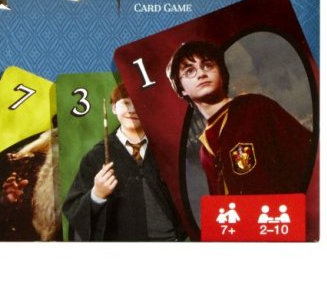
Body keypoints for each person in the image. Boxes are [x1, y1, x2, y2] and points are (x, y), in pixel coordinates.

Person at [166, 41, 313, 196]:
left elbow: (309, 158)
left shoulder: (255, 107)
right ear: (181, 89)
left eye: (207, 65)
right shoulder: (206, 151)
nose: (201, 74)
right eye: (189, 71)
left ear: (221, 73)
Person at [62, 83, 184, 241]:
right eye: (126, 103)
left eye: (138, 103)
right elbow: (74, 212)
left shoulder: (167, 150)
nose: (132, 110)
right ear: (113, 108)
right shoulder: (97, 156)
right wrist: (97, 194)